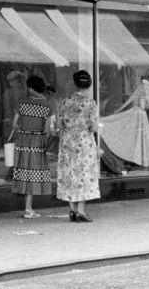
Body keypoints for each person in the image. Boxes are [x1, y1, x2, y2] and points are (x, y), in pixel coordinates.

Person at [54, 70, 100, 223]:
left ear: (74, 83)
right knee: (83, 173)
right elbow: (94, 128)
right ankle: (81, 210)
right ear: (89, 85)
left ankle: (72, 209)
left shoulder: (65, 101)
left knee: (69, 172)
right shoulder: (91, 103)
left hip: (68, 141)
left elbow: (58, 125)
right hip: (84, 141)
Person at [11, 75, 53, 218]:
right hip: (37, 141)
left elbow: (14, 124)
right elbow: (47, 129)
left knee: (24, 171)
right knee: (34, 172)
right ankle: (29, 208)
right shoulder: (47, 105)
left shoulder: (22, 103)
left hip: (23, 140)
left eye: (29, 87)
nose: (28, 89)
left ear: (32, 89)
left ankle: (28, 207)